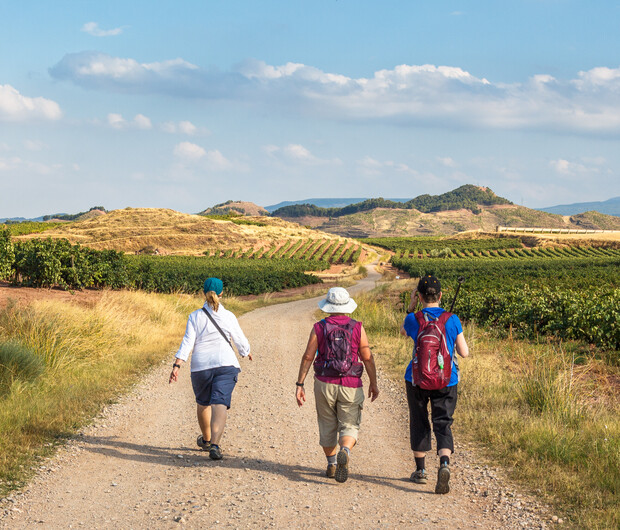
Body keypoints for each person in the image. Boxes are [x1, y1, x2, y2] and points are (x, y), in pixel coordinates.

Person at [296, 287, 379, 483]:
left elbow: (308, 356)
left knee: (327, 424)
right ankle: (345, 450)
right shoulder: (357, 327)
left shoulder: (319, 327)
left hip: (324, 383)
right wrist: (373, 383)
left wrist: (300, 383)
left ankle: (332, 464)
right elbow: (367, 357)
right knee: (349, 424)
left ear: (328, 306)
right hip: (351, 383)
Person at [400, 275, 469, 494]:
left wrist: (410, 308)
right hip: (447, 380)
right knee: (443, 422)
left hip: (416, 379)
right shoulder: (452, 319)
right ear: (440, 295)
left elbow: (403, 333)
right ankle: (444, 464)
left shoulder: (413, 319)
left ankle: (420, 472)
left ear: (419, 296)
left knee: (418, 422)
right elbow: (464, 353)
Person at [169, 277, 251, 460]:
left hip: (201, 367)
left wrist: (177, 365)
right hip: (226, 364)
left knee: (204, 402)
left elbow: (188, 342)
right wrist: (246, 352)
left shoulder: (195, 316)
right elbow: (239, 339)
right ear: (222, 293)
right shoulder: (229, 316)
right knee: (219, 402)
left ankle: (206, 440)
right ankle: (215, 445)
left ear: (203, 293)